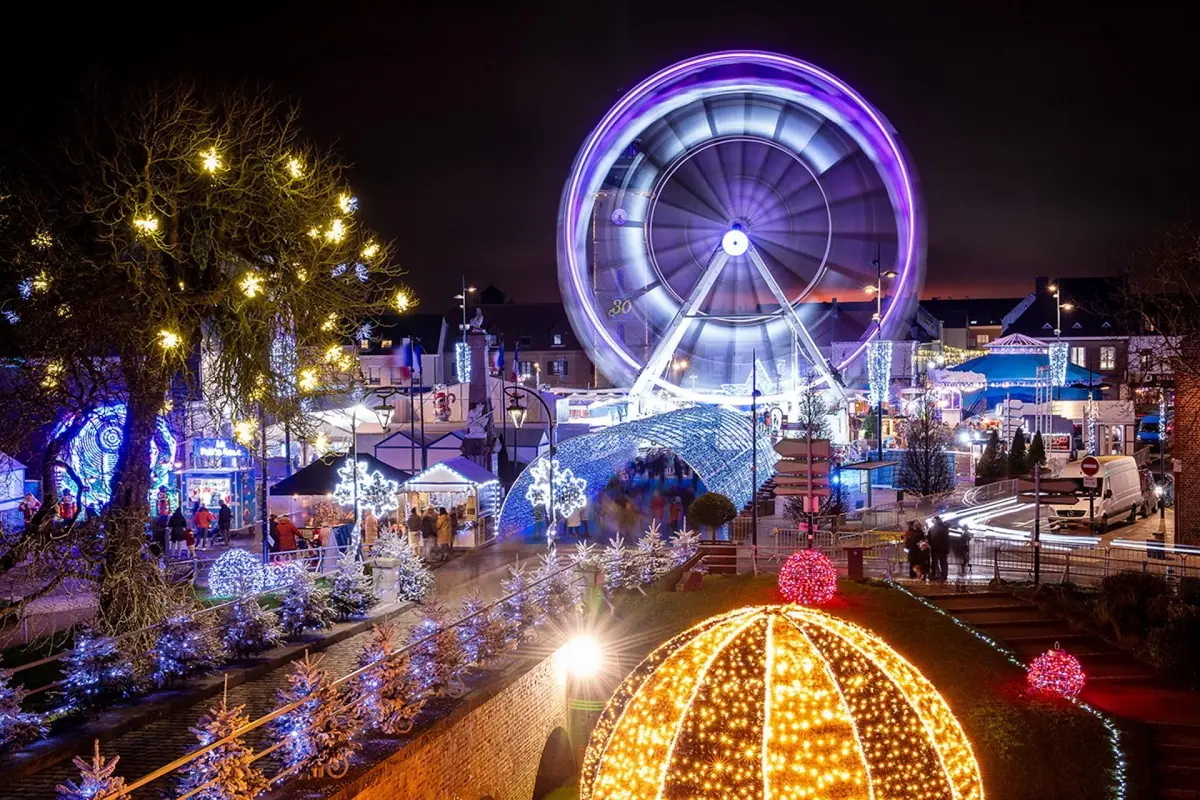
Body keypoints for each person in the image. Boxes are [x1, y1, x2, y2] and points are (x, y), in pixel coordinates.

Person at [927, 515, 951, 582]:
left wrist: (931, 545)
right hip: (942, 549)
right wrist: (947, 549)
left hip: (934, 548)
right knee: (943, 562)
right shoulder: (944, 528)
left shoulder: (931, 529)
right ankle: (944, 576)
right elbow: (947, 539)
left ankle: (936, 574)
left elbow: (928, 538)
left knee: (934, 562)